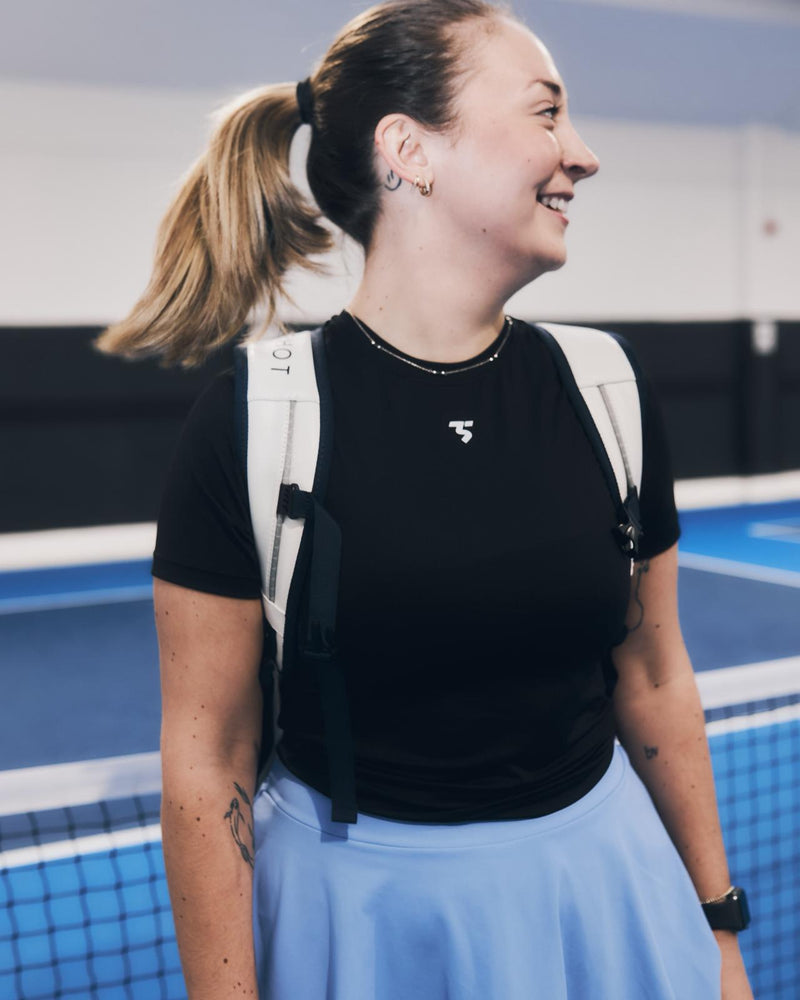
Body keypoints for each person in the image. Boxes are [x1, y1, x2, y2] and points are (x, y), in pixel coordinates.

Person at [97, 1, 754, 997]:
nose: (580, 154)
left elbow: (653, 672)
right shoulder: (257, 414)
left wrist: (715, 928)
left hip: (608, 887)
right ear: (410, 150)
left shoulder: (605, 387)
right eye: (545, 113)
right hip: (357, 922)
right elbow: (208, 753)